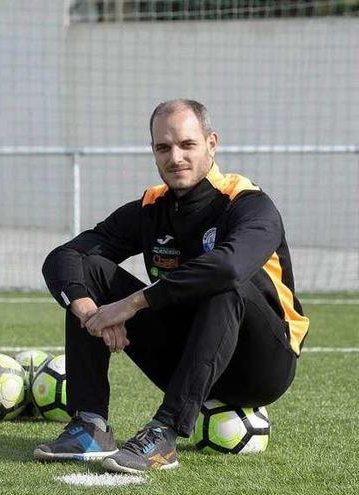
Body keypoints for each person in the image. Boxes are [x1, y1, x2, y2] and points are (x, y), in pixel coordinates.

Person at [35, 99, 308, 474]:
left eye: (187, 145)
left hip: (262, 365)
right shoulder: (151, 209)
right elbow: (65, 256)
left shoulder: (248, 205)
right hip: (185, 360)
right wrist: (88, 310)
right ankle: (90, 425)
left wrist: (132, 304)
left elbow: (228, 268)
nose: (175, 157)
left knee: (225, 284)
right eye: (163, 147)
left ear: (212, 143)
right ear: (153, 151)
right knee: (90, 271)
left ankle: (163, 434)